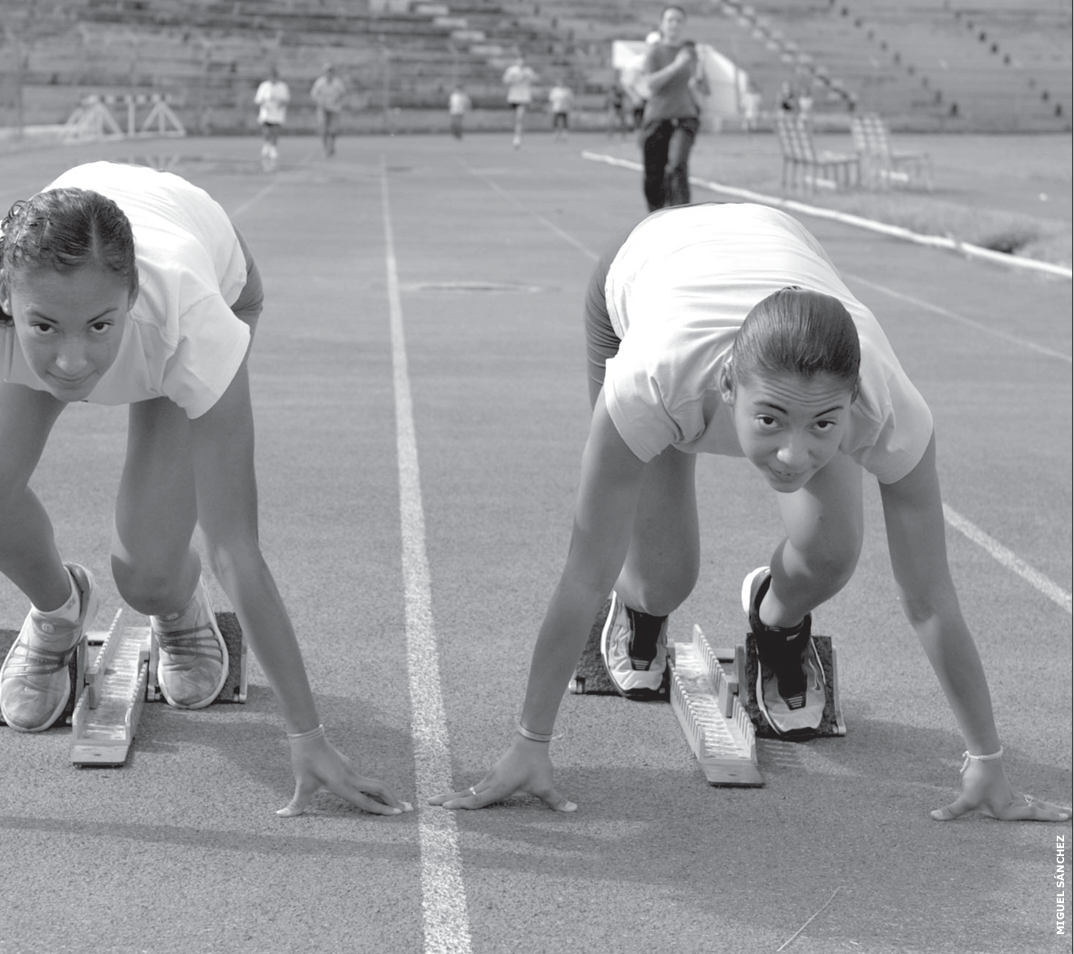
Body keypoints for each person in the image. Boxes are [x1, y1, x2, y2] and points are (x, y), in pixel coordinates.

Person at [0, 162, 413, 821]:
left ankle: (172, 601)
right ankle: (58, 608)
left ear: (131, 300)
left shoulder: (191, 322)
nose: (73, 363)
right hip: (77, 266)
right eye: (44, 328)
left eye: (99, 328)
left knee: (146, 575)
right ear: (9, 303)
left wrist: (307, 737)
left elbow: (234, 548)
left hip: (205, 277)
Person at [428, 202, 1071, 824]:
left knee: (831, 552)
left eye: (824, 424)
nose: (794, 454)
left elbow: (929, 598)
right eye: (769, 421)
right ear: (730, 385)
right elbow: (581, 574)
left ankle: (776, 620)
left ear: (853, 400)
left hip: (775, 254)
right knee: (661, 576)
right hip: (646, 270)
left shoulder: (889, 406)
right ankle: (642, 610)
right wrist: (529, 741)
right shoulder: (654, 379)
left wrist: (987, 760)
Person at [634, 5, 709, 211]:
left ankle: (682, 215)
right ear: (662, 24)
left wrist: (700, 101)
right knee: (654, 174)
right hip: (657, 118)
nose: (674, 25)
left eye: (678, 21)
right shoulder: (654, 53)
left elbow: (694, 82)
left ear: (684, 25)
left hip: (684, 117)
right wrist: (676, 66)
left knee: (677, 165)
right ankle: (656, 215)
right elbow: (651, 84)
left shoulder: (689, 53)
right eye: (670, 20)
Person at [254, 65, 291, 165]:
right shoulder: (264, 86)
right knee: (266, 130)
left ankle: (273, 147)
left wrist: (280, 104)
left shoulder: (282, 86)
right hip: (267, 112)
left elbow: (286, 99)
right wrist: (264, 104)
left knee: (275, 130)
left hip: (278, 113)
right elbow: (258, 99)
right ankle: (267, 144)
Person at [310, 63, 347, 158]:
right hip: (322, 109)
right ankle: (325, 148)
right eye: (327, 72)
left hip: (334, 108)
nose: (329, 73)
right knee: (323, 129)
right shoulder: (320, 82)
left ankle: (332, 144)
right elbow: (314, 94)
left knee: (333, 130)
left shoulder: (337, 83)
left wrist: (336, 102)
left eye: (331, 71)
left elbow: (342, 94)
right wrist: (320, 102)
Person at [502, 55, 537, 148]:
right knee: (514, 120)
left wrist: (526, 78)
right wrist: (514, 79)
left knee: (519, 117)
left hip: (524, 97)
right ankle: (517, 133)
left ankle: (517, 138)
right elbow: (505, 81)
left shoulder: (528, 71)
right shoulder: (511, 70)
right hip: (513, 97)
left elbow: (535, 80)